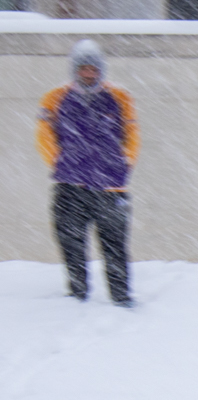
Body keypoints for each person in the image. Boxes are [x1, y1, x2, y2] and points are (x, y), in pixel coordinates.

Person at [38, 39, 139, 306]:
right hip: (70, 187)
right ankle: (77, 293)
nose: (88, 74)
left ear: (101, 70)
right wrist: (62, 163)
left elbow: (132, 134)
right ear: (74, 70)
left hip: (110, 187)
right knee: (70, 242)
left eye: (93, 69)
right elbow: (43, 136)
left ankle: (120, 296)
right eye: (83, 69)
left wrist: (122, 164)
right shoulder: (55, 98)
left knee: (115, 244)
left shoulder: (120, 97)